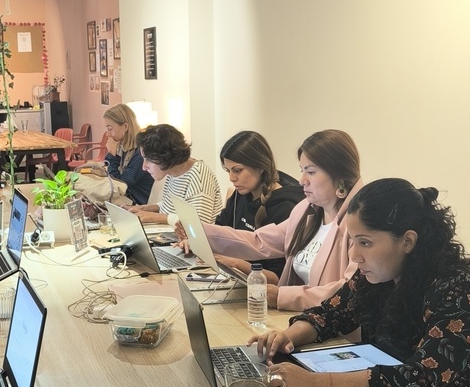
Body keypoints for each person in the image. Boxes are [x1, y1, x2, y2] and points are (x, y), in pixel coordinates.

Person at [250, 178, 470, 387]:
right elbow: (330, 314)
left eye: (365, 242)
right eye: (352, 241)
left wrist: (314, 383)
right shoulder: (377, 273)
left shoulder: (456, 287)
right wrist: (287, 338)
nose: (355, 255)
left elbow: (423, 379)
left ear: (407, 241)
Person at [201, 129, 362, 311]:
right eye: (302, 171)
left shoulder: (361, 223)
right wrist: (201, 233)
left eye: (310, 172)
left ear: (339, 176)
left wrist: (282, 296)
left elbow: (349, 291)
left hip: (332, 329)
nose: (302, 181)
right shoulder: (305, 210)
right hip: (301, 317)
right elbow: (259, 242)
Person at [212, 131, 305, 281]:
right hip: (238, 281)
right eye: (228, 170)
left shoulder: (286, 208)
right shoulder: (241, 194)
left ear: (260, 166)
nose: (231, 178)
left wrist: (235, 263)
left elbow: (279, 278)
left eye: (237, 170)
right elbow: (220, 230)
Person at [129, 124, 222, 225]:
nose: (144, 167)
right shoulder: (172, 172)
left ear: (165, 156)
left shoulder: (199, 177)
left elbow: (198, 225)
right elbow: (174, 207)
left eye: (148, 159)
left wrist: (153, 217)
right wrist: (145, 208)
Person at [103, 104, 154, 205]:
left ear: (125, 126)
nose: (108, 134)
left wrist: (112, 156)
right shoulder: (126, 148)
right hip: (127, 199)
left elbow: (120, 184)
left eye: (110, 128)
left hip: (137, 203)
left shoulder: (140, 152)